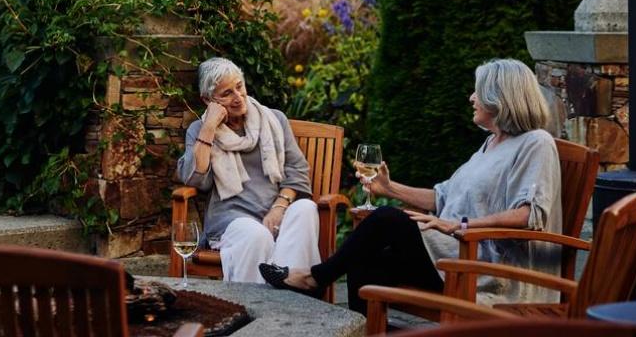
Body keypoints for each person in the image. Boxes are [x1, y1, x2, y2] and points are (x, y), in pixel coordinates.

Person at [260, 58, 561, 313]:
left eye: (478, 92)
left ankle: (315, 278)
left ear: (500, 99)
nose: (471, 97)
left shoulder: (536, 143)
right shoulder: (490, 144)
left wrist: (460, 226)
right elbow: (442, 197)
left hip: (490, 272)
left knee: (388, 219)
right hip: (455, 255)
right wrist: (390, 189)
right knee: (367, 263)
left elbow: (529, 216)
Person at [175, 57, 320, 283]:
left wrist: (280, 207)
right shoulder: (200, 130)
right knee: (257, 235)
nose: (238, 97)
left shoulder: (274, 119)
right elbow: (196, 179)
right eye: (226, 93)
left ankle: (295, 297)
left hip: (275, 209)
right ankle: (258, 305)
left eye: (239, 86)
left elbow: (297, 169)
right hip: (232, 219)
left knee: (305, 208)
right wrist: (209, 127)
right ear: (207, 100)